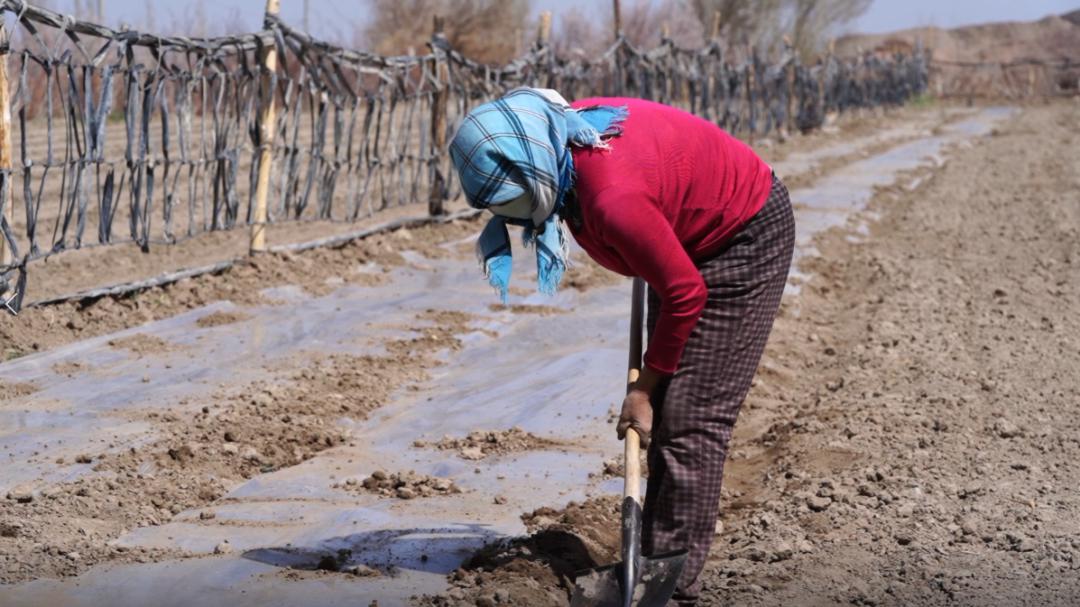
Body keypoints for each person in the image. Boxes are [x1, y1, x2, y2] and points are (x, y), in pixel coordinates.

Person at [449, 88, 795, 605]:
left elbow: (684, 292)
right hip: (681, 232)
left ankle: (673, 588)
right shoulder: (563, 137)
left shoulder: (612, 201)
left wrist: (643, 389)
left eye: (511, 203)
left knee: (690, 420)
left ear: (535, 170)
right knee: (669, 409)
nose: (514, 221)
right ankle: (652, 557)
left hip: (741, 236)